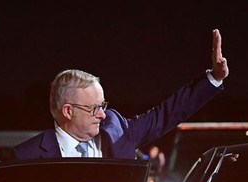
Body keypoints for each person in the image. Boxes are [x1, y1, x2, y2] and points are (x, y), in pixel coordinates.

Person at [14, 29, 229, 160]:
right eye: (94, 108)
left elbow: (166, 114)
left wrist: (214, 78)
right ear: (68, 111)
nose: (102, 115)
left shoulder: (117, 130)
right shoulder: (27, 156)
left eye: (103, 105)